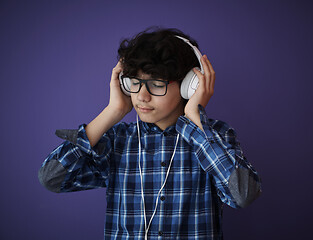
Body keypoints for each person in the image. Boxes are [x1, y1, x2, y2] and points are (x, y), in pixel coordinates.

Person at [38, 27, 262, 240]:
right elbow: (51, 178)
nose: (142, 96)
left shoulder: (215, 136)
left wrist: (196, 119)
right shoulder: (117, 140)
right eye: (134, 83)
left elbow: (243, 195)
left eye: (156, 84)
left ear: (189, 86)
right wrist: (112, 112)